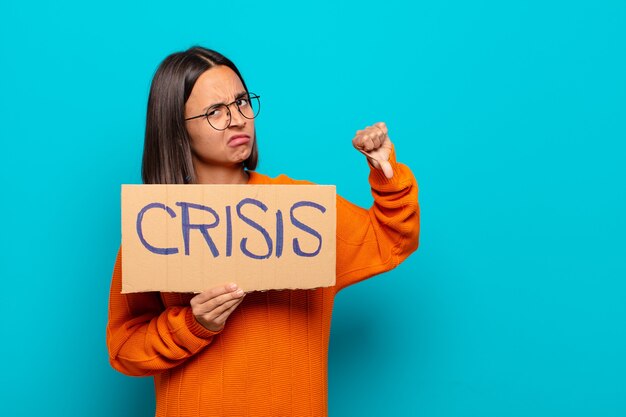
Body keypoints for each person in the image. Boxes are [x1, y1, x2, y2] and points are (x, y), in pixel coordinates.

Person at [106, 45, 420, 417]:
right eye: (215, 112)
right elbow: (124, 348)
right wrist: (194, 324)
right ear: (177, 131)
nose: (238, 119)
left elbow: (391, 238)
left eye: (241, 102)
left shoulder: (302, 212)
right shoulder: (157, 226)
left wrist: (385, 172)